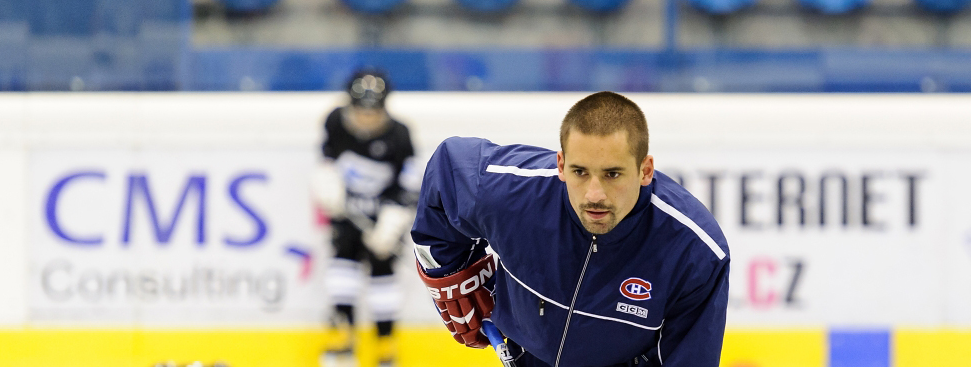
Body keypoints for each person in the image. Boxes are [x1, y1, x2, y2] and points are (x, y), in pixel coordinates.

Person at [412, 91, 730, 366]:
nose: (594, 195)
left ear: (645, 170)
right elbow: (447, 170)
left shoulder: (695, 253)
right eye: (580, 172)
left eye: (612, 174)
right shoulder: (512, 191)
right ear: (560, 165)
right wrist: (453, 272)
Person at [312, 69, 420, 367]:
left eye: (374, 112)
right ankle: (342, 334)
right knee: (341, 268)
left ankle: (385, 343)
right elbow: (326, 158)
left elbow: (408, 185)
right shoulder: (335, 122)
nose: (367, 119)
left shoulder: (400, 135)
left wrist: (393, 221)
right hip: (346, 213)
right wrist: (326, 181)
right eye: (361, 111)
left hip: (383, 218)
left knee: (383, 276)